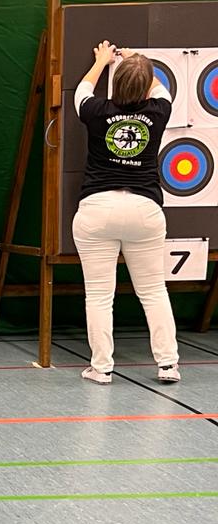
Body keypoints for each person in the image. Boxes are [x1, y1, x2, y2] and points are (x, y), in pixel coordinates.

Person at [73, 41, 179, 385]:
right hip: (144, 211)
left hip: (97, 210)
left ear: (116, 84)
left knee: (99, 295)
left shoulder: (95, 110)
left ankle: (101, 368)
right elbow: (160, 87)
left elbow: (82, 90)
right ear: (146, 86)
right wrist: (135, 61)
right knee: (154, 290)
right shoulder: (159, 111)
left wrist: (102, 61)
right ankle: (168, 365)